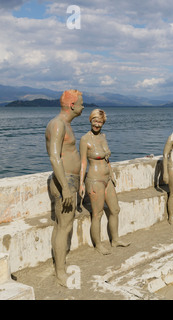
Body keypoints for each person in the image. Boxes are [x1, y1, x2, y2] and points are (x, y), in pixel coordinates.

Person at [45, 89, 84, 287]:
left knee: (65, 224)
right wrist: (66, 188)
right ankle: (59, 272)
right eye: (81, 103)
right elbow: (54, 157)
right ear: (72, 105)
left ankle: (60, 265)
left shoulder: (66, 124)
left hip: (71, 180)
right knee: (63, 226)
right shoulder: (58, 124)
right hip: (64, 182)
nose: (83, 106)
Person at [79, 109, 130, 255]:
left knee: (115, 209)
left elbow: (107, 159)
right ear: (90, 120)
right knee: (97, 214)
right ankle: (98, 245)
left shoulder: (103, 136)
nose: (97, 124)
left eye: (100, 122)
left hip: (107, 179)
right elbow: (83, 162)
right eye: (95, 121)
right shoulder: (85, 139)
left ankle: (115, 240)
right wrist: (81, 183)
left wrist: (112, 173)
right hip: (95, 180)